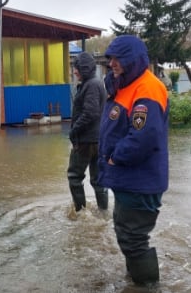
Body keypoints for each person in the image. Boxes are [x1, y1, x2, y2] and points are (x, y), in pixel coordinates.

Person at [98, 35, 169, 285]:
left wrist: (116, 157)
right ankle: (135, 279)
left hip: (140, 180)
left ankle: (148, 286)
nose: (113, 64)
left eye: (118, 59)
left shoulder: (147, 88)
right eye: (111, 58)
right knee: (125, 231)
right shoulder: (124, 85)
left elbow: (144, 136)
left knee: (133, 237)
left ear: (134, 60)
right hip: (127, 178)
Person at [67, 52, 108, 212]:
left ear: (84, 69)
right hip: (98, 141)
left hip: (86, 141)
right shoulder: (95, 84)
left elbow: (91, 112)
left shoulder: (91, 85)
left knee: (74, 177)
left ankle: (80, 213)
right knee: (98, 180)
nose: (74, 71)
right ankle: (103, 213)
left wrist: (74, 131)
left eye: (76, 68)